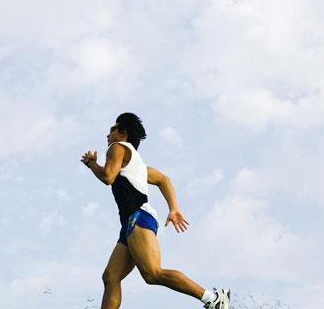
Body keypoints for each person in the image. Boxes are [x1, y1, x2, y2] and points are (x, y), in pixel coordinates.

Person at [80, 112, 230, 309]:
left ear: (122, 132)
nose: (107, 135)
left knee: (152, 273)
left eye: (111, 129)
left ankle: (213, 298)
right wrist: (174, 209)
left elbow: (108, 176)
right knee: (111, 277)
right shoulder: (137, 165)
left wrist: (91, 164)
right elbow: (163, 179)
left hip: (138, 216)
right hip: (131, 222)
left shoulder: (117, 148)